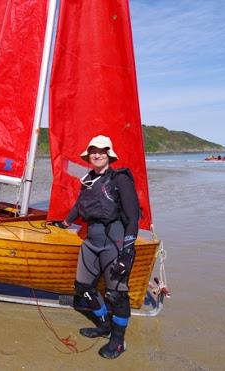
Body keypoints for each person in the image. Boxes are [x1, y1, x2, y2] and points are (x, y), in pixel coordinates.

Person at [55, 135, 139, 359]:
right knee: (83, 287)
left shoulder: (120, 178)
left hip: (114, 241)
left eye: (102, 150)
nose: (97, 154)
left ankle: (118, 341)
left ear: (109, 155)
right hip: (91, 241)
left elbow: (133, 217)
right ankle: (103, 325)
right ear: (89, 155)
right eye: (93, 150)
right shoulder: (87, 180)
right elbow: (79, 207)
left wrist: (128, 251)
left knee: (117, 294)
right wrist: (64, 223)